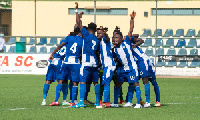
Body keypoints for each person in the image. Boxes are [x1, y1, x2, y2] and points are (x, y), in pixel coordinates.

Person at [72, 2, 101, 108]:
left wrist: (76, 11)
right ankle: (98, 102)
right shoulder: (97, 40)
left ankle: (81, 102)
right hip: (94, 63)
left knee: (83, 82)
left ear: (88, 29)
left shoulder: (86, 35)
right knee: (95, 82)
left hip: (86, 62)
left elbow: (78, 23)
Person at [112, 11, 142, 108]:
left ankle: (138, 103)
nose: (114, 39)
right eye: (113, 38)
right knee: (117, 83)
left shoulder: (126, 42)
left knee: (135, 83)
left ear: (121, 38)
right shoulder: (114, 49)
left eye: (116, 37)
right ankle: (116, 102)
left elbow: (130, 30)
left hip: (132, 67)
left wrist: (132, 19)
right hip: (123, 69)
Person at [48, 27, 83, 106]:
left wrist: (52, 54)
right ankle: (72, 102)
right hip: (75, 62)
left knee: (60, 80)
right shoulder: (82, 40)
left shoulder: (69, 38)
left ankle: (56, 100)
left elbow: (61, 45)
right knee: (75, 82)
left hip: (66, 61)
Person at [131, 34, 161, 107]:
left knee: (150, 80)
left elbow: (141, 40)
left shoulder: (128, 40)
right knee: (135, 81)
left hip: (143, 60)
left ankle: (152, 101)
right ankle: (141, 101)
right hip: (137, 63)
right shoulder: (121, 45)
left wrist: (134, 44)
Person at [41, 40, 67, 106]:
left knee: (48, 81)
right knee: (63, 81)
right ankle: (62, 100)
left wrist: (52, 54)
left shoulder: (60, 46)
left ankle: (44, 100)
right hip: (60, 63)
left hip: (53, 62)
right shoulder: (70, 45)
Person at [97, 26, 116, 108]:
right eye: (97, 33)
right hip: (105, 66)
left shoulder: (105, 40)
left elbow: (107, 37)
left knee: (106, 83)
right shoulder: (101, 42)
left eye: (99, 33)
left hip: (109, 65)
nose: (97, 34)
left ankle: (107, 102)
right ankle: (104, 101)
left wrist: (105, 33)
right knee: (105, 82)